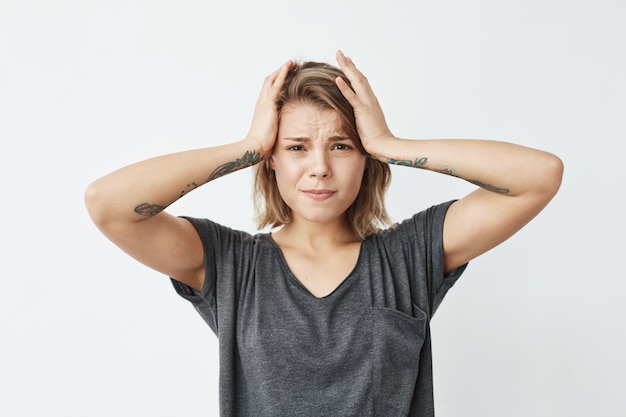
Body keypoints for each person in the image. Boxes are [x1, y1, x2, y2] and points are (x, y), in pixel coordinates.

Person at [84, 50, 563, 417]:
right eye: (296, 147)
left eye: (341, 145)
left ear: (364, 158)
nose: (319, 168)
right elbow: (108, 205)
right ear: (272, 160)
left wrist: (390, 144)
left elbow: (539, 176)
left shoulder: (408, 257)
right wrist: (248, 144)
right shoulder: (230, 265)